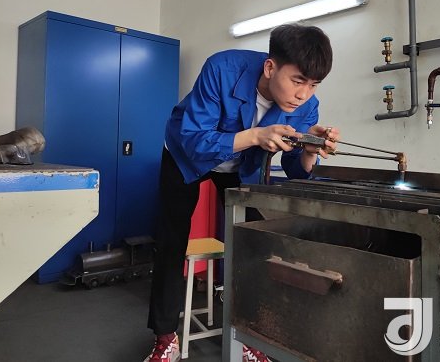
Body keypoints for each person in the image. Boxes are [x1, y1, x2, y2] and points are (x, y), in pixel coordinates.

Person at [144, 24, 340, 362]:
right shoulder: (222, 69)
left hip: (239, 167)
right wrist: (255, 136)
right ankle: (165, 338)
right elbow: (194, 140)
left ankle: (252, 335)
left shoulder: (308, 107)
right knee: (171, 241)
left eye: (314, 85)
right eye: (297, 81)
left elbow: (294, 168)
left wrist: (310, 150)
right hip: (184, 156)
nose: (303, 94)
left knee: (254, 243)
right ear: (270, 67)